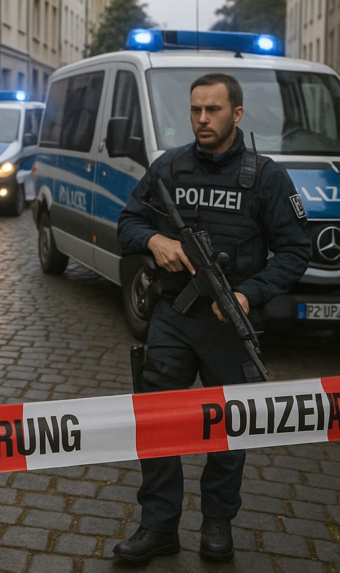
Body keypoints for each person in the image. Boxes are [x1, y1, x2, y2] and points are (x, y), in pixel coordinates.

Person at [115, 73, 310, 565]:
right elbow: (127, 222)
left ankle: (218, 523)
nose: (202, 119)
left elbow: (295, 251)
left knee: (229, 429)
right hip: (173, 316)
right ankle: (158, 526)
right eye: (195, 109)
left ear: (237, 114)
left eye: (213, 110)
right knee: (158, 423)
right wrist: (154, 240)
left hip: (229, 323)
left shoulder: (265, 177)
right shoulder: (169, 167)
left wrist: (247, 294)